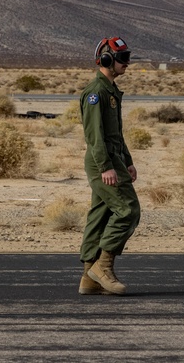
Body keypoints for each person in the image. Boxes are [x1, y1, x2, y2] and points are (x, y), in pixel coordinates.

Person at [77, 36, 140, 296]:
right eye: (122, 59)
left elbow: (116, 133)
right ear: (106, 60)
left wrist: (127, 161)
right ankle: (102, 267)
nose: (127, 64)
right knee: (128, 210)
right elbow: (95, 136)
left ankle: (89, 278)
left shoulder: (110, 90)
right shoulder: (96, 92)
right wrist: (106, 167)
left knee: (100, 215)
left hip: (114, 160)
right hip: (102, 162)